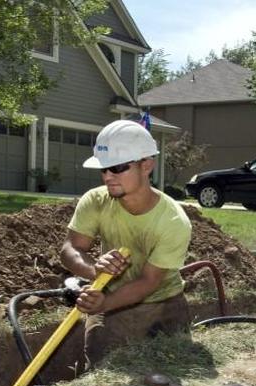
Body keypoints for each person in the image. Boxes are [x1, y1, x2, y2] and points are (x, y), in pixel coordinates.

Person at [60, 119, 193, 369]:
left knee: (173, 372)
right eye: (103, 169)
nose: (108, 177)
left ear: (147, 165)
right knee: (101, 373)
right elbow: (70, 249)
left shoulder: (173, 221)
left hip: (165, 303)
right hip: (111, 302)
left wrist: (104, 303)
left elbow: (149, 281)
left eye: (118, 167)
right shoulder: (95, 201)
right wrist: (95, 270)